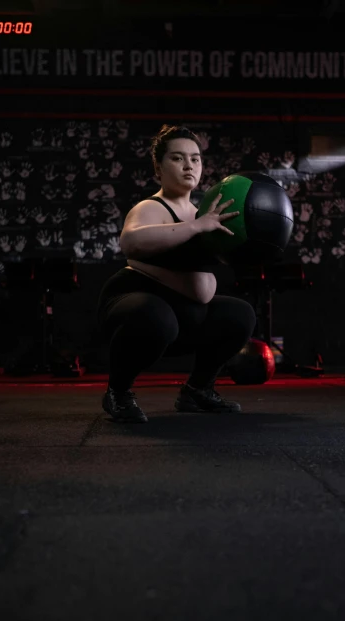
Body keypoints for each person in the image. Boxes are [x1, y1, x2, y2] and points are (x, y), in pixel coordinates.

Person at [97, 124, 257, 423]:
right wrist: (196, 227)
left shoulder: (203, 213)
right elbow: (130, 242)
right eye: (178, 158)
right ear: (158, 167)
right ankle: (117, 392)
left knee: (240, 314)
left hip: (184, 312)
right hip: (134, 307)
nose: (189, 165)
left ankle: (197, 391)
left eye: (195, 158)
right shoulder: (151, 207)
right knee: (157, 316)